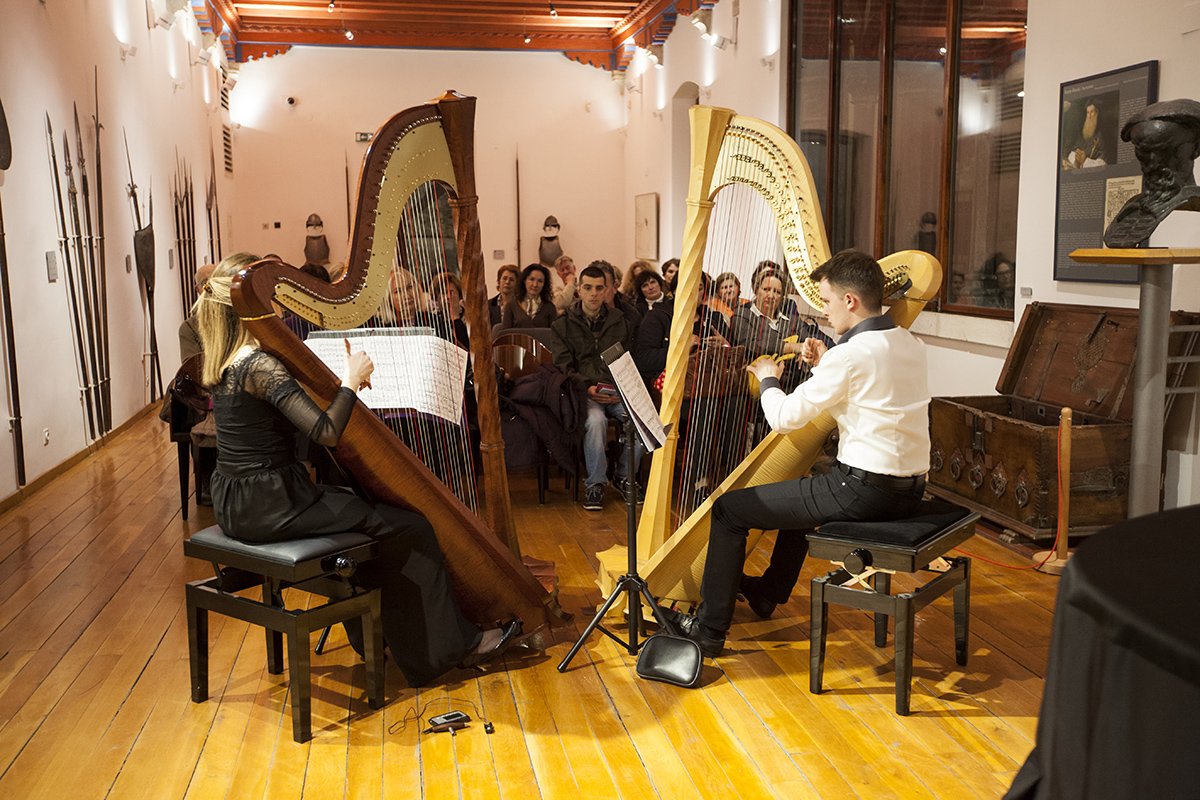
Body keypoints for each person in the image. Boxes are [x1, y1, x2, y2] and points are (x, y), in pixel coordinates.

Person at [196, 253, 520, 687]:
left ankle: (376, 636)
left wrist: (340, 390)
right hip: (274, 504)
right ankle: (450, 647)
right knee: (412, 528)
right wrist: (350, 381)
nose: (275, 305)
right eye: (270, 296)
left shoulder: (226, 358)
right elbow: (326, 432)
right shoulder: (260, 364)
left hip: (236, 501)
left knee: (366, 519)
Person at [658, 250, 930, 658]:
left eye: (827, 301)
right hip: (909, 490)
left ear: (850, 300)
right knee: (801, 490)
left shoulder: (849, 355)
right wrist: (824, 363)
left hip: (863, 492)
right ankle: (767, 592)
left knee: (728, 511)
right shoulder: (909, 342)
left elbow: (784, 418)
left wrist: (768, 379)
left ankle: (708, 630)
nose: (824, 311)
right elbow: (865, 385)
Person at [550, 264, 642, 511]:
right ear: (578, 290)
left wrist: (620, 389)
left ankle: (624, 477)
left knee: (641, 420)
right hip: (584, 393)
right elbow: (564, 367)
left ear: (608, 290)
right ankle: (595, 484)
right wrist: (587, 387)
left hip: (617, 391)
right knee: (595, 421)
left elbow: (628, 361)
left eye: (599, 288)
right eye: (588, 288)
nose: (594, 294)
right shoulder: (562, 325)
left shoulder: (621, 322)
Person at [1104, 99, 1200, 247]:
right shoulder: (1131, 208)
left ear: (1196, 148)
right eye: (1144, 151)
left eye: (1165, 151)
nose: (1153, 164)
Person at [500, 264, 558, 329]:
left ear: (544, 284)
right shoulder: (511, 305)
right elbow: (505, 333)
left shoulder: (550, 307)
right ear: (524, 281)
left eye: (540, 281)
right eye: (532, 279)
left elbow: (555, 333)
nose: (535, 285)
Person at [179, 263, 216, 361]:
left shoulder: (239, 315)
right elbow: (194, 366)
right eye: (206, 283)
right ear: (198, 289)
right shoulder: (190, 328)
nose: (213, 286)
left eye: (216, 279)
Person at [1062, 98, 1108, 169]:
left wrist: (1084, 161)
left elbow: (1103, 164)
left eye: (1092, 112)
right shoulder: (1084, 132)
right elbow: (1074, 151)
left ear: (1098, 113)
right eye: (1088, 112)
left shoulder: (1103, 135)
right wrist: (1076, 161)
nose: (1089, 116)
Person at [488, 264, 519, 328]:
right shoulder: (488, 305)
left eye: (511, 280)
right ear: (499, 281)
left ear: (516, 284)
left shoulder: (522, 304)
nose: (507, 282)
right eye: (504, 278)